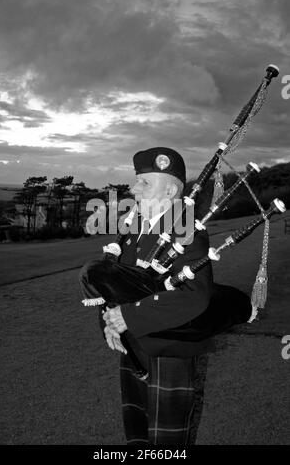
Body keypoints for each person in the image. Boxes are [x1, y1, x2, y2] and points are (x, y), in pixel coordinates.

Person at [102, 147, 214, 446]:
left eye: (144, 183)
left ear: (170, 192)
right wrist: (110, 323)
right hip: (133, 342)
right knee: (137, 426)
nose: (134, 189)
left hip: (170, 346)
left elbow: (195, 295)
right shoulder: (134, 229)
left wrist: (128, 316)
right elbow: (116, 283)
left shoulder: (186, 230)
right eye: (137, 181)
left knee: (167, 438)